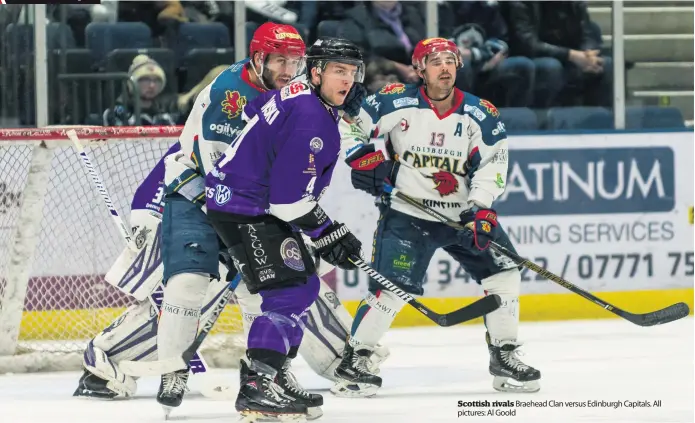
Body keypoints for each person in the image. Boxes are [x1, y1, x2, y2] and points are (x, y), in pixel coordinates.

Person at [73, 24, 386, 417]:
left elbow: (335, 126)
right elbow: (226, 171)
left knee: (290, 282)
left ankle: (314, 365)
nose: (290, 70)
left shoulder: (300, 91)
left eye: (296, 62)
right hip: (207, 195)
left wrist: (363, 151)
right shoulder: (230, 96)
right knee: (193, 290)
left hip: (255, 201)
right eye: (281, 61)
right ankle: (107, 363)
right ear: (259, 59)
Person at [331, 37, 541, 397]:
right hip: (408, 214)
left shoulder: (480, 113)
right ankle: (356, 360)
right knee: (392, 289)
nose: (444, 67)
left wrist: (482, 209)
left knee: (504, 273)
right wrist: (361, 155)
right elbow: (351, 122)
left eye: (450, 60)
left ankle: (504, 355)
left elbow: (494, 164)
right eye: (435, 61)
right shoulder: (397, 101)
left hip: (462, 218)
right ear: (419, 69)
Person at [204, 37, 367, 421]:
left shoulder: (300, 93)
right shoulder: (313, 119)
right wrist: (330, 231)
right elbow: (288, 202)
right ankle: (257, 386)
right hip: (248, 205)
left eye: (352, 72)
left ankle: (274, 374)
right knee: (289, 291)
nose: (348, 80)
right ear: (315, 72)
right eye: (337, 71)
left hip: (245, 198)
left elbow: (263, 108)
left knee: (306, 284)